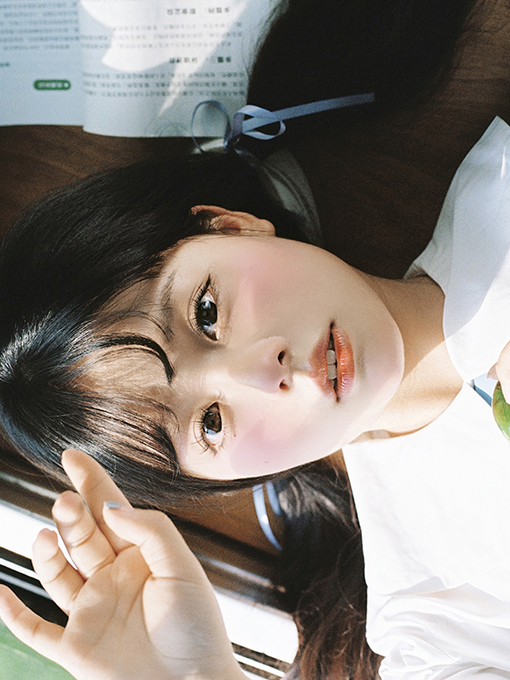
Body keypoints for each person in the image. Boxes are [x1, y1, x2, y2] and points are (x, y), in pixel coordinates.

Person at [1, 0, 509, 677]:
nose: (262, 373)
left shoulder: (501, 186)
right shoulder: (431, 607)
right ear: (223, 480)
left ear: (230, 225)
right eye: (209, 423)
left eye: (207, 312)